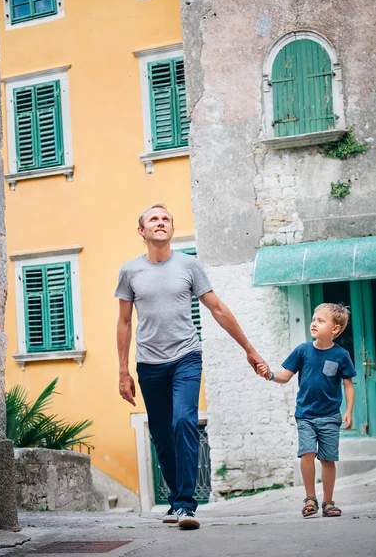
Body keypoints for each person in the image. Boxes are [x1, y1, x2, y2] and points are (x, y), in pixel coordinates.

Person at [115, 203, 269, 529]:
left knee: (184, 420)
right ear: (142, 231)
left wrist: (249, 349)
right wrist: (123, 370)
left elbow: (218, 309)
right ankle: (175, 500)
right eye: (153, 219)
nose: (161, 223)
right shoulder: (130, 272)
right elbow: (124, 322)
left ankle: (186, 506)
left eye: (166, 219)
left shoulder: (189, 265)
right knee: (161, 434)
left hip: (186, 356)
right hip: (149, 364)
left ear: (171, 228)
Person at [257, 303, 356, 518]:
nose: (314, 323)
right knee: (307, 453)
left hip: (330, 416)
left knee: (328, 459)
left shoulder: (341, 355)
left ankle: (329, 502)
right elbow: (285, 375)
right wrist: (270, 374)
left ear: (335, 329)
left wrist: (348, 411)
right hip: (306, 416)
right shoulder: (303, 350)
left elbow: (348, 384)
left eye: (321, 320)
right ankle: (310, 498)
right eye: (313, 319)